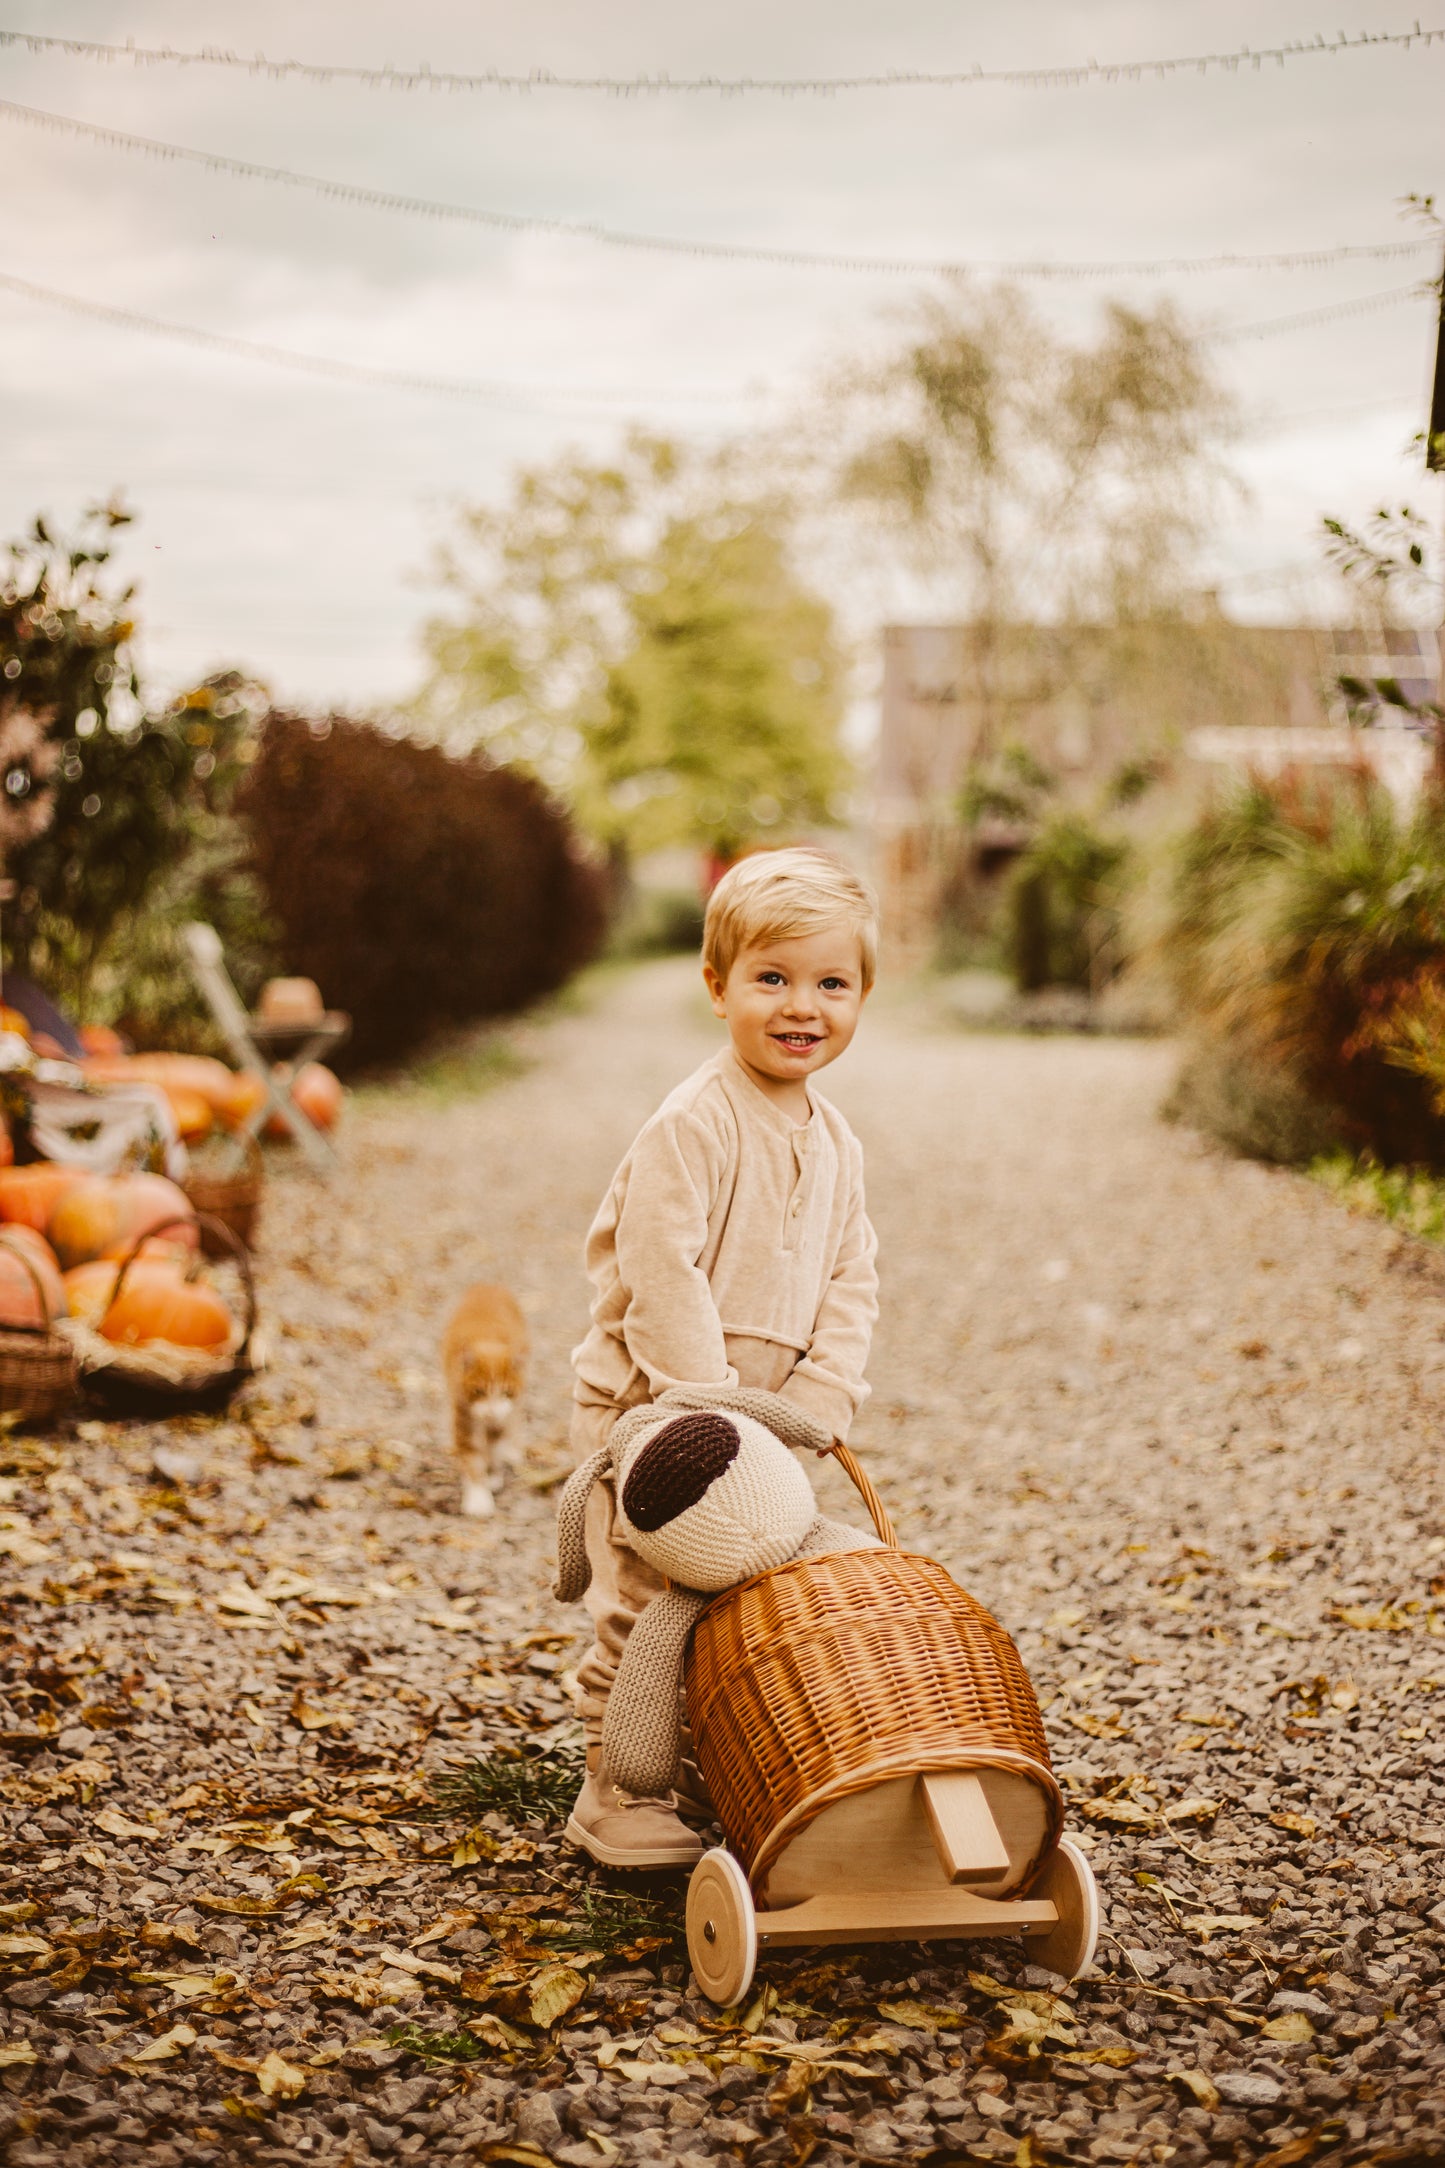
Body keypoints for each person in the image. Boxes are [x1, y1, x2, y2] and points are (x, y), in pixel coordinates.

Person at [564, 847, 881, 1865]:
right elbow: (661, 1270)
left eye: (831, 983)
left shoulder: (836, 1141)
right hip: (661, 1417)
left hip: (766, 1423)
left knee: (740, 1598)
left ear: (861, 995)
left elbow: (852, 1274)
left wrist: (818, 1394)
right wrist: (707, 1411)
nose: (802, 1006)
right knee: (647, 1601)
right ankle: (616, 1781)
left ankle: (700, 1757)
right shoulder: (692, 1122)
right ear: (717, 986)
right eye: (771, 978)